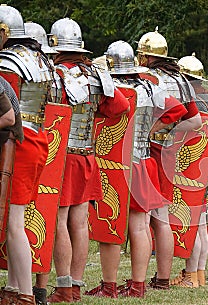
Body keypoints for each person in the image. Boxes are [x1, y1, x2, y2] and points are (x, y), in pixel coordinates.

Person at [84, 40, 187, 298]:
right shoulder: (149, 87)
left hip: (114, 167)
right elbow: (178, 110)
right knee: (139, 226)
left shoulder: (110, 87)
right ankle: (138, 285)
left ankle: (109, 286)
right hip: (142, 161)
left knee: (110, 224)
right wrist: (151, 131)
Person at [46, 19, 130, 303]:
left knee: (59, 221)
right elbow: (121, 107)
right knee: (80, 222)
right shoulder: (95, 75)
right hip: (86, 155)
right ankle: (77, 286)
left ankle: (63, 286)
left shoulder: (53, 74)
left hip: (60, 156)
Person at [136, 28, 202, 290]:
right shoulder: (181, 80)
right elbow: (194, 121)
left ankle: (153, 277)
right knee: (161, 216)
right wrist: (171, 134)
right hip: (168, 153)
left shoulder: (148, 78)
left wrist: (155, 130)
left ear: (145, 57)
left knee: (144, 217)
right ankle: (162, 277)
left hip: (146, 151)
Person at [0, 5, 51, 305]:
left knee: (13, 222)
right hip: (39, 139)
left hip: (17, 143)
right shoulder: (42, 59)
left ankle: (25, 296)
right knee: (13, 219)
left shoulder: (7, 61)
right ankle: (11, 288)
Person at [168, 53, 208, 288]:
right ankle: (198, 274)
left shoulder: (192, 103)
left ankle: (190, 276)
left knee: (191, 223)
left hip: (188, 167)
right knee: (200, 223)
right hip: (205, 168)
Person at [24, 21, 58, 305]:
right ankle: (42, 289)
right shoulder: (51, 71)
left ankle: (28, 290)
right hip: (50, 147)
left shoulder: (20, 66)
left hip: (29, 146)